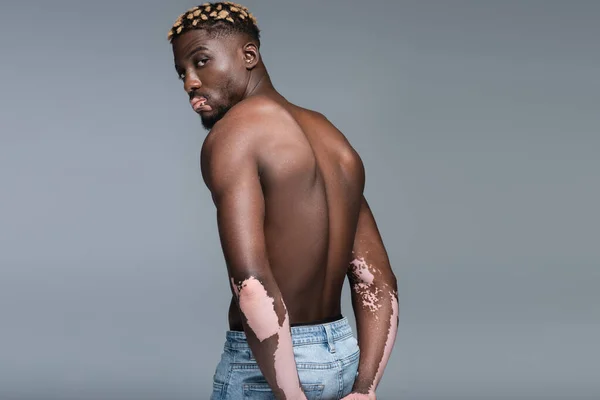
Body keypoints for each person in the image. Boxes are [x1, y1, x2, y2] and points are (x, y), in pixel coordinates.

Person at [168, 3, 399, 399]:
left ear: (249, 55)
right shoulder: (331, 138)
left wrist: (289, 395)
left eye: (201, 61)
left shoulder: (235, 134)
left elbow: (252, 285)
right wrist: (365, 387)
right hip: (342, 358)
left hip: (271, 371)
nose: (190, 82)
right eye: (182, 72)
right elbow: (375, 279)